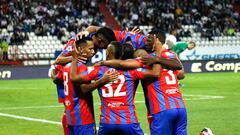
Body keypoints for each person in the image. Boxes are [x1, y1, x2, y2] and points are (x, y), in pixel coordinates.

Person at [70, 41, 162, 135]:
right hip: (128, 122)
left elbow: (74, 78)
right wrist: (158, 54)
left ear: (108, 53)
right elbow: (155, 73)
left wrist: (74, 59)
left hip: (107, 123)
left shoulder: (98, 70)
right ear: (121, 54)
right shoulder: (132, 70)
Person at [62, 36, 118, 135]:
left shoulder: (67, 67)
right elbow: (83, 89)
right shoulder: (81, 67)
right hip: (83, 116)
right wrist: (102, 81)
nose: (93, 52)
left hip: (70, 117)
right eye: (90, 49)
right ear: (80, 49)